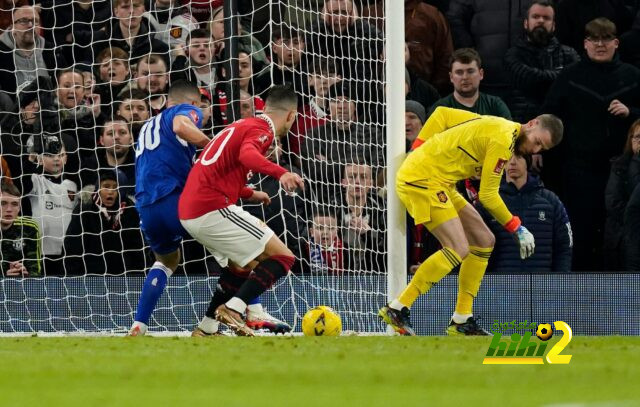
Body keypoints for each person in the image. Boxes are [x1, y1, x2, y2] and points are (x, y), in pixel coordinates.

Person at [378, 106, 563, 336]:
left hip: (441, 181)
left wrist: (418, 149)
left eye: (540, 149)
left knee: (484, 240)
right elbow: (488, 195)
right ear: (532, 122)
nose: (533, 149)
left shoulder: (497, 124)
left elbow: (443, 114)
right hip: (423, 179)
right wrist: (517, 227)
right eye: (537, 142)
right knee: (458, 248)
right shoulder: (503, 140)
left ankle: (462, 318)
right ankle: (398, 307)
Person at [178, 85, 305, 337]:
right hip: (210, 207)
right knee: (284, 258)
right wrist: (282, 173)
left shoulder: (240, 125)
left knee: (242, 266)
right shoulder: (262, 130)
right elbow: (247, 156)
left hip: (192, 210)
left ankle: (206, 329)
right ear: (291, 115)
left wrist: (249, 193)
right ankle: (235, 309)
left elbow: (216, 167)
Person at [542, 18, 640, 271]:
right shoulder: (570, 76)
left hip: (624, 172)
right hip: (580, 170)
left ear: (616, 43)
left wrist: (631, 111)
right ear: (585, 44)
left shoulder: (632, 75)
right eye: (594, 39)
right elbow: (550, 115)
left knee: (622, 232)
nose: (600, 44)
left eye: (606, 38)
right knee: (582, 231)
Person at [128, 80, 211, 336]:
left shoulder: (147, 127)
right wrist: (212, 146)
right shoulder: (184, 111)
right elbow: (181, 125)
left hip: (146, 206)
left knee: (168, 260)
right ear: (193, 103)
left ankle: (139, 324)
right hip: (172, 198)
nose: (202, 113)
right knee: (234, 247)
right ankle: (247, 312)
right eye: (203, 106)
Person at [478, 154, 573, 273]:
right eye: (508, 157)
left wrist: (560, 281)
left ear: (528, 161)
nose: (512, 162)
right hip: (501, 287)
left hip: (543, 286)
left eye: (518, 157)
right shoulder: (488, 203)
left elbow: (564, 246)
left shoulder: (551, 201)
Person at [504, 0, 580, 123]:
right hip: (524, 123)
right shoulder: (512, 55)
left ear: (554, 25)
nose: (540, 21)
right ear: (525, 23)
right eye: (535, 17)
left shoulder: (569, 54)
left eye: (546, 18)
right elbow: (529, 81)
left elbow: (576, 82)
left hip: (560, 124)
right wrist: (560, 74)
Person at [63, 170, 147, 275]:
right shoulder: (84, 211)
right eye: (106, 186)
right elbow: (72, 248)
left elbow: (138, 251)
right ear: (98, 188)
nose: (110, 191)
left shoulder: (131, 212)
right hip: (90, 279)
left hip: (125, 279)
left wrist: (136, 278)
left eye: (115, 187)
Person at [430, 48, 511, 119]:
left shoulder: (495, 105)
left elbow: (510, 133)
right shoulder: (439, 109)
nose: (465, 77)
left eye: (470, 71)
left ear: (481, 74)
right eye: (459, 72)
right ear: (451, 77)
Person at [604, 119, 640, 270]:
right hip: (623, 236)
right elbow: (613, 202)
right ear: (630, 140)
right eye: (637, 137)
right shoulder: (619, 166)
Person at [1, 181, 41, 277]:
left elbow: (35, 269)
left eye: (14, 204)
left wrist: (25, 273)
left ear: (19, 208)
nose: (9, 209)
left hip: (21, 286)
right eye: (3, 203)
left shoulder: (30, 228)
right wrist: (4, 276)